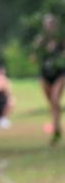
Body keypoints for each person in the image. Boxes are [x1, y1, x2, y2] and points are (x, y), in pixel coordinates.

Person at [33, 13, 64, 145]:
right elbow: (34, 57)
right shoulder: (41, 40)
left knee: (55, 100)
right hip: (45, 75)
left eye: (52, 23)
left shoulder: (61, 40)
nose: (50, 26)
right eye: (47, 24)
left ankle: (56, 127)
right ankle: (56, 128)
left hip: (60, 74)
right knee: (51, 104)